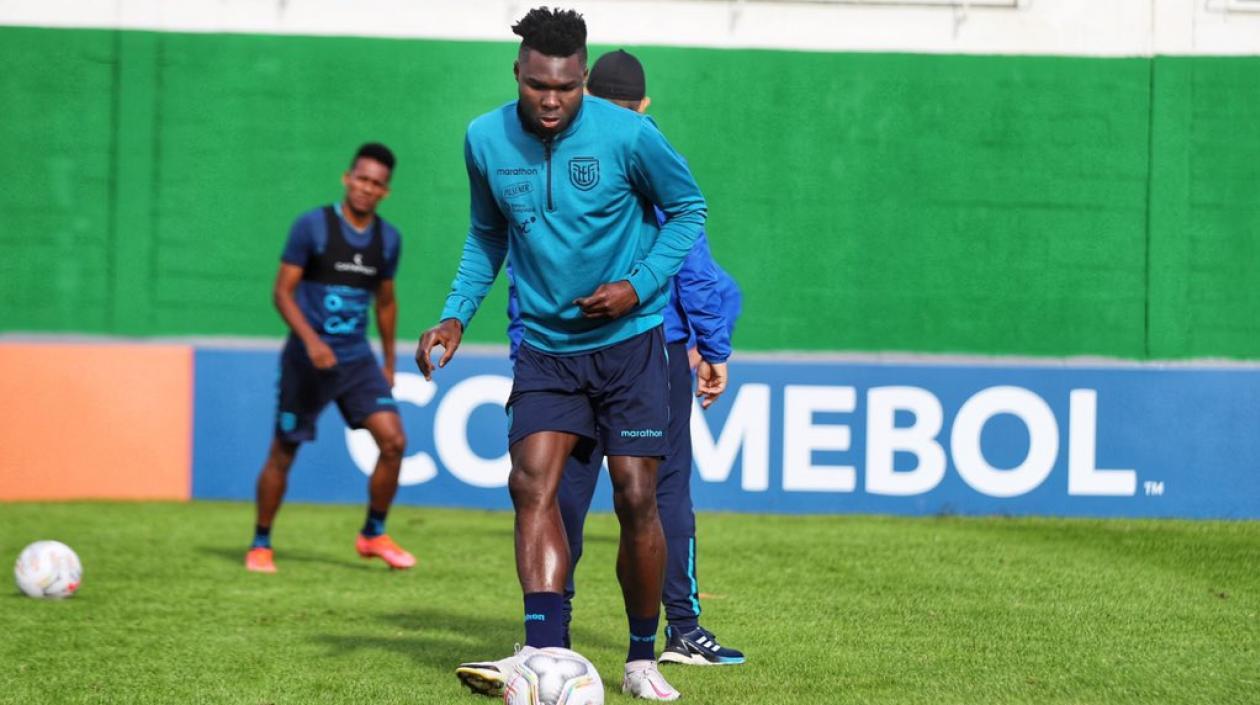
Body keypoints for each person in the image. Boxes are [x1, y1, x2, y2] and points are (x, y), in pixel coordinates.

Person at [415, 8, 717, 700]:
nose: (551, 101)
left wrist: (637, 284)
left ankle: (642, 656)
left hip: (629, 346)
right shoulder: (484, 138)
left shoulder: (631, 136)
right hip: (547, 350)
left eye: (567, 87)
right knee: (531, 485)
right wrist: (456, 314)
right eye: (538, 86)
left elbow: (691, 210)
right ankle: (545, 650)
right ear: (518, 73)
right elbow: (487, 234)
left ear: (583, 79)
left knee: (639, 497)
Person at [504, 49, 747, 667]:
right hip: (649, 350)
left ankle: (549, 637)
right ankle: (681, 630)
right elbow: (693, 263)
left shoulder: (550, 148)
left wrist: (524, 351)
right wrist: (714, 347)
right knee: (659, 495)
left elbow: (529, 264)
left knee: (558, 494)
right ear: (644, 103)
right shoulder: (646, 147)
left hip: (557, 351)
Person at [244, 143, 414, 574]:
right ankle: (261, 542)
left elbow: (386, 303)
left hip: (356, 360)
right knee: (284, 450)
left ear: (385, 192)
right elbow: (282, 293)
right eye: (361, 179)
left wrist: (389, 361)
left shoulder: (388, 240)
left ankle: (373, 533)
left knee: (394, 442)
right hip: (306, 360)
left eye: (376, 184)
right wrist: (311, 342)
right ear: (347, 178)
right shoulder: (312, 227)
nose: (366, 189)